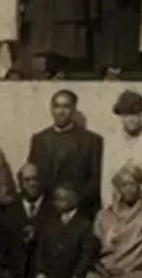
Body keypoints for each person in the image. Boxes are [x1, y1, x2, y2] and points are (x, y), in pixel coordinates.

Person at [27, 90, 103, 218]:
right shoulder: (39, 139)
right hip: (46, 210)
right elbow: (32, 175)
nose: (61, 112)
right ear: (51, 109)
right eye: (57, 106)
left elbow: (95, 180)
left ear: (73, 109)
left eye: (66, 107)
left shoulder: (90, 141)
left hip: (78, 211)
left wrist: (73, 200)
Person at [101, 89, 142, 207]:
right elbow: (106, 181)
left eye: (135, 114)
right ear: (120, 117)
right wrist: (109, 209)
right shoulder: (112, 142)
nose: (131, 120)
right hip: (121, 208)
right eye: (126, 115)